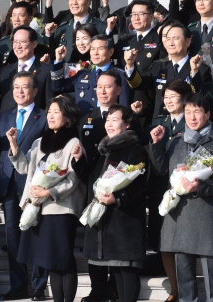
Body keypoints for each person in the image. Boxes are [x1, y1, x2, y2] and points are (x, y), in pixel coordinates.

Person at [149, 93, 213, 302]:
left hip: (206, 213)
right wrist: (157, 144)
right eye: (188, 112)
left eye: (197, 112)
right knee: (185, 278)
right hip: (179, 214)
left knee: (212, 275)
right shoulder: (176, 142)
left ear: (207, 114)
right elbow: (162, 169)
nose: (192, 117)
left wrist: (200, 187)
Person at [7, 96, 84, 302]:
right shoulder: (40, 141)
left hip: (61, 208)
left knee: (63, 259)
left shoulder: (73, 142)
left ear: (67, 117)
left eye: (56, 112)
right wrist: (14, 146)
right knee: (50, 260)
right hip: (39, 207)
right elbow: (25, 168)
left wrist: (49, 193)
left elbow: (74, 178)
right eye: (49, 111)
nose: (50, 116)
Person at [0, 72, 48, 300]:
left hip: (33, 184)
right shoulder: (4, 115)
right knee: (13, 238)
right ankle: (18, 285)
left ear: (35, 90)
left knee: (37, 236)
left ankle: (39, 286)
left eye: (25, 87)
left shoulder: (45, 116)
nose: (20, 91)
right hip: (9, 183)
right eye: (16, 87)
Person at [74, 104, 146, 302]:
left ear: (127, 124)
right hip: (105, 222)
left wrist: (119, 198)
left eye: (115, 120)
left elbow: (139, 182)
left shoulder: (134, 150)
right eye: (108, 120)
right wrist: (78, 161)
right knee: (116, 269)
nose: (109, 124)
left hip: (125, 222)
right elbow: (90, 181)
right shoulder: (103, 150)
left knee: (127, 270)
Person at [138, 79, 192, 302]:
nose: (168, 101)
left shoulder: (192, 120)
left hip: (186, 188)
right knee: (164, 241)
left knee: (184, 242)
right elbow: (158, 164)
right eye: (166, 97)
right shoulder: (159, 123)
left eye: (173, 97)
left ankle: (186, 289)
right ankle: (175, 289)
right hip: (162, 187)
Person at [75, 70, 124, 302]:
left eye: (107, 86)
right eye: (98, 87)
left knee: (114, 237)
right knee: (93, 237)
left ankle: (114, 286)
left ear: (118, 90)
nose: (102, 91)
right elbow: (82, 158)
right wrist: (77, 161)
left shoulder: (127, 116)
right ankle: (97, 288)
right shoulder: (86, 118)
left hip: (118, 185)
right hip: (92, 184)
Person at [128, 22, 213, 119]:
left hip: (186, 124)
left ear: (188, 42)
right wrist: (130, 65)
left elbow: (203, 99)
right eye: (168, 39)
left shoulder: (201, 69)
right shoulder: (158, 66)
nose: (171, 43)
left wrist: (194, 73)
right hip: (160, 124)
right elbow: (138, 84)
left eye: (176, 38)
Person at [52, 34, 132, 116]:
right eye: (92, 49)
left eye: (100, 49)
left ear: (110, 51)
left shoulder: (121, 75)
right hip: (83, 124)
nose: (95, 53)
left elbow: (124, 106)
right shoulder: (82, 74)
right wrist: (58, 60)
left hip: (107, 123)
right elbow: (57, 87)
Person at [0, 26, 53, 112]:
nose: (18, 46)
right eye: (15, 42)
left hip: (34, 123)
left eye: (23, 42)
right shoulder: (6, 71)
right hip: (7, 123)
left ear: (34, 44)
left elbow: (49, 104)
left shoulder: (46, 71)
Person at [0, 2, 50, 71]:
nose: (16, 19)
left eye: (21, 15)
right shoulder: (3, 42)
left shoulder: (39, 41)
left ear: (30, 18)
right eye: (14, 15)